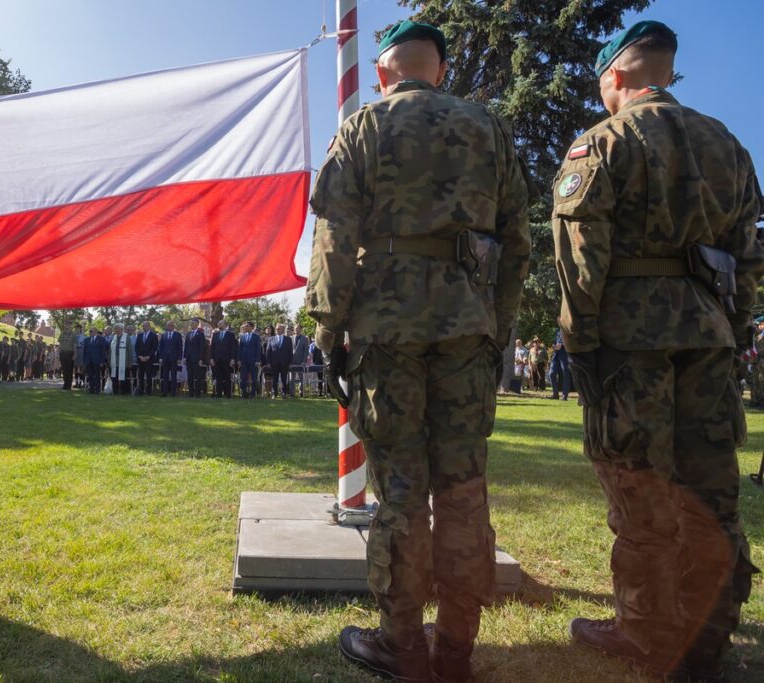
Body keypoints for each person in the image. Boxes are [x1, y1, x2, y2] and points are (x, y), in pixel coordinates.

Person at [305, 21, 530, 682]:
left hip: (386, 332)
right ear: (440, 71)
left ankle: (400, 644)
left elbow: (334, 238)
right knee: (463, 490)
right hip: (466, 331)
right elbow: (517, 242)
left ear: (382, 73)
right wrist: (497, 326)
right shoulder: (486, 129)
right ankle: (456, 646)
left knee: (401, 492)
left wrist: (327, 330)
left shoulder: (364, 128)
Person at [553, 22, 764, 681]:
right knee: (711, 491)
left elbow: (579, 262)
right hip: (708, 336)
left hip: (629, 342)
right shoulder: (727, 145)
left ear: (617, 77)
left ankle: (645, 630)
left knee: (640, 489)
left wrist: (581, 346)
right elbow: (749, 258)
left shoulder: (602, 143)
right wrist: (734, 331)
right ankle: (708, 637)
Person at [209, 320, 237, 398]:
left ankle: (228, 394)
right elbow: (212, 348)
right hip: (217, 359)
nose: (218, 324)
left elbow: (233, 348)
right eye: (218, 323)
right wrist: (211, 358)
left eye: (220, 323)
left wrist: (232, 359)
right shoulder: (215, 335)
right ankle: (219, 394)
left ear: (225, 324)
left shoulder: (230, 335)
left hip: (227, 360)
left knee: (227, 377)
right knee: (218, 377)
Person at [266, 322, 293, 398]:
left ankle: (284, 393)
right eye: (276, 328)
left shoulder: (288, 339)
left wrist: (291, 362)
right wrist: (268, 362)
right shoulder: (271, 339)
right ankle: (274, 393)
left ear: (283, 330)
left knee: (284, 379)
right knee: (275, 379)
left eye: (279, 328)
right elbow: (268, 351)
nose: (277, 330)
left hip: (284, 362)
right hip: (274, 362)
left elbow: (290, 352)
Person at [158, 320, 184, 396]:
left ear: (173, 326)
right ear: (166, 326)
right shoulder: (164, 335)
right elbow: (161, 347)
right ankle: (164, 392)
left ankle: (173, 392)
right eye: (168, 325)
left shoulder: (178, 335)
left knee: (173, 376)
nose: (169, 327)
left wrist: (179, 358)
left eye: (171, 325)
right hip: (165, 358)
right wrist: (160, 358)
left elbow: (180, 347)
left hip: (174, 358)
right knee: (165, 375)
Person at [184, 318, 208, 398]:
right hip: (189, 359)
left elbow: (202, 347)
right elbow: (186, 346)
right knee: (189, 376)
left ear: (197, 324)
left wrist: (200, 359)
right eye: (191, 323)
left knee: (197, 377)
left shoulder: (200, 334)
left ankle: (197, 393)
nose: (191, 324)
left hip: (197, 359)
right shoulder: (188, 334)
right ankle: (191, 392)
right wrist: (185, 357)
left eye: (193, 323)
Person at [238, 322, 262, 398]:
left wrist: (257, 360)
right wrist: (239, 360)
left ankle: (252, 393)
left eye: (247, 326)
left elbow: (258, 349)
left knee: (254, 378)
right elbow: (240, 349)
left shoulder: (256, 337)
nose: (245, 327)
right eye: (245, 326)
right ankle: (244, 392)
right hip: (244, 360)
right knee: (243, 377)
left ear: (251, 327)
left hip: (253, 360)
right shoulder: (242, 336)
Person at [109, 323, 134, 395]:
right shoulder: (114, 337)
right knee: (114, 377)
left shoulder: (126, 337)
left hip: (124, 361)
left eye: (117, 328)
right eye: (115, 328)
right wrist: (109, 360)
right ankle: (115, 391)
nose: (115, 330)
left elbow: (130, 350)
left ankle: (124, 391)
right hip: (114, 360)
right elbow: (110, 350)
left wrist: (130, 362)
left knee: (123, 377)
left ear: (121, 329)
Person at [82, 327, 108, 394]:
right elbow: (84, 351)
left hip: (97, 361)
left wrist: (102, 361)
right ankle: (91, 389)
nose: (90, 333)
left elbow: (103, 351)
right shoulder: (87, 340)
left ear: (95, 332)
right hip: (88, 361)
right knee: (90, 376)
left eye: (91, 331)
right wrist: (84, 361)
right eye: (89, 331)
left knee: (97, 376)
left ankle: (97, 390)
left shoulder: (101, 339)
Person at [135, 321, 158, 396]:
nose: (144, 327)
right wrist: (140, 356)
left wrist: (148, 356)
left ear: (149, 327)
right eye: (143, 326)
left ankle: (148, 391)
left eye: (145, 326)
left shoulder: (153, 335)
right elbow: (136, 347)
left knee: (148, 376)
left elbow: (154, 348)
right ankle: (141, 391)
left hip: (149, 359)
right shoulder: (139, 335)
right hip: (140, 359)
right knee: (140, 376)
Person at [548, 330, 570, 401]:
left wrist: (562, 345)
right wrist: (554, 345)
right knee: (551, 374)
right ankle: (555, 394)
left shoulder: (568, 330)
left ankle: (564, 395)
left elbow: (572, 341)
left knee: (565, 374)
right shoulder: (558, 331)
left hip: (565, 355)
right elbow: (556, 341)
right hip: (556, 355)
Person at [60, 323, 79, 390]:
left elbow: (74, 345)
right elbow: (60, 344)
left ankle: (69, 385)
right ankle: (65, 384)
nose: (67, 325)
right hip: (62, 353)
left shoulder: (73, 334)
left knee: (69, 370)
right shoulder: (62, 333)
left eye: (68, 324)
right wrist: (58, 353)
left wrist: (75, 354)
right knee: (64, 370)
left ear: (70, 326)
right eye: (66, 324)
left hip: (70, 353)